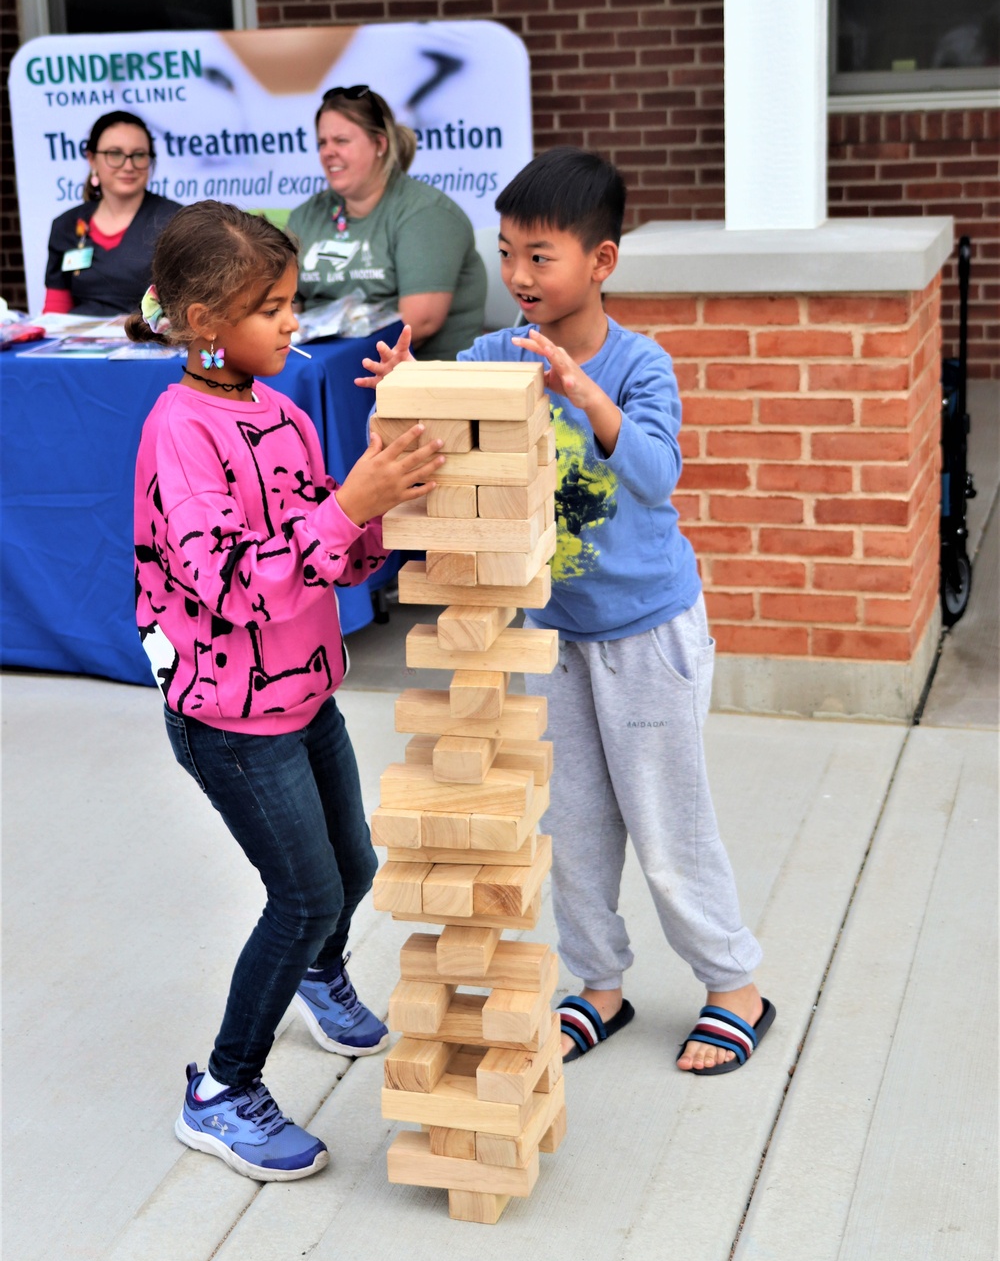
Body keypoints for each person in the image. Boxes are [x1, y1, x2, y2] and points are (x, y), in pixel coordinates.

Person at [361, 147, 774, 1075]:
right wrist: (408, 383)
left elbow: (660, 475)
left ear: (602, 262)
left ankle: (733, 984)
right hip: (550, 630)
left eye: (539, 256)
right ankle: (599, 986)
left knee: (665, 824)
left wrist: (578, 391)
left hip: (647, 633)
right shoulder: (491, 354)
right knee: (574, 825)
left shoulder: (640, 365)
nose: (517, 276)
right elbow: (442, 434)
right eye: (506, 253)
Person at [127, 201, 445, 1180]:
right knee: (302, 894)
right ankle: (222, 1090)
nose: (292, 323)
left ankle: (313, 971)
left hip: (305, 692)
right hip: (227, 717)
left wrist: (383, 510)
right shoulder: (179, 436)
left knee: (349, 872)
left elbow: (327, 561)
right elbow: (228, 587)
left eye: (292, 301)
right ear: (203, 320)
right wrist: (350, 503)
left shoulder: (283, 409)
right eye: (270, 308)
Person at [287, 84, 486, 360]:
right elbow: (285, 309)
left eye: (341, 140)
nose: (327, 152)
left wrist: (330, 364)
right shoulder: (305, 216)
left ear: (380, 144)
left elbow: (418, 324)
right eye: (322, 143)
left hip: (414, 379)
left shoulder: (425, 213)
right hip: (317, 368)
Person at [43, 111, 180, 317]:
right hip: (80, 344)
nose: (128, 166)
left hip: (150, 342)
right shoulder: (66, 225)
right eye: (115, 154)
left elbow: (189, 309)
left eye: (139, 155)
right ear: (92, 159)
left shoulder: (176, 221)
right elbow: (55, 314)